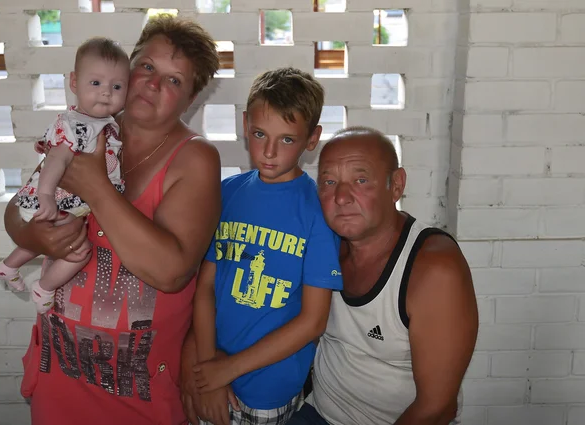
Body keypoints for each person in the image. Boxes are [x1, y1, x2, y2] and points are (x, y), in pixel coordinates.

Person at [3, 15, 221, 425]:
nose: (154, 84)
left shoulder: (194, 159)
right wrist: (39, 235)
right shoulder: (86, 127)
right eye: (148, 67)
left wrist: (97, 187)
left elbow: (170, 272)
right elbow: (19, 210)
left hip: (138, 396)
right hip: (60, 376)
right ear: (129, 65)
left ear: (191, 99)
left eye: (174, 81)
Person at [286, 126, 479, 425]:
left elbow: (437, 408)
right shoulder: (323, 242)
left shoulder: (433, 269)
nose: (341, 197)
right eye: (329, 181)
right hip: (319, 413)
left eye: (361, 180)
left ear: (396, 185)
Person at [191, 67, 343, 425]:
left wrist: (226, 370)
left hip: (268, 390)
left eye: (287, 139)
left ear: (312, 138)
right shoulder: (227, 193)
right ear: (245, 125)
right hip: (214, 372)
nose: (269, 151)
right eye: (260, 134)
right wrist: (209, 367)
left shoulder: (317, 212)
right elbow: (205, 288)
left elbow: (313, 321)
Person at [0, 37, 130, 314]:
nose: (106, 93)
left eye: (116, 86)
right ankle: (44, 287)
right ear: (74, 83)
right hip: (56, 198)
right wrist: (46, 196)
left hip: (69, 200)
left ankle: (8, 266)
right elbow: (55, 160)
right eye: (96, 84)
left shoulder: (102, 123)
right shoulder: (76, 125)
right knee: (78, 251)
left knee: (47, 239)